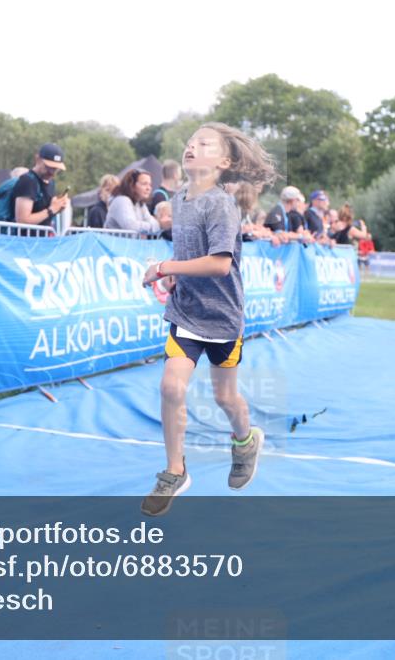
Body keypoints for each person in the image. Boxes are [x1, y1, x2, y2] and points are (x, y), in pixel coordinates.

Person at [139, 122, 278, 516]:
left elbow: (219, 265)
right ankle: (174, 470)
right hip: (186, 313)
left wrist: (167, 266)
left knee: (225, 396)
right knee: (170, 387)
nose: (191, 147)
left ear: (225, 161)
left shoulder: (220, 204)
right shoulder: (180, 198)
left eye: (204, 144)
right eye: (191, 142)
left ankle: (244, 440)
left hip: (223, 318)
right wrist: (170, 273)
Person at [12, 143, 70, 232]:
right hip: (24, 242)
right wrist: (51, 210)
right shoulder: (28, 181)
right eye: (49, 167)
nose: (52, 172)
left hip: (41, 241)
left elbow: (45, 214)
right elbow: (22, 221)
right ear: (37, 159)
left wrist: (58, 207)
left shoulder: (51, 182)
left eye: (56, 169)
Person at [104, 169, 161, 235]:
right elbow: (131, 226)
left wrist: (158, 225)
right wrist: (159, 226)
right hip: (114, 244)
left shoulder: (140, 203)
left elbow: (151, 222)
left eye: (150, 185)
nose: (148, 188)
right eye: (144, 184)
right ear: (132, 185)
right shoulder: (121, 200)